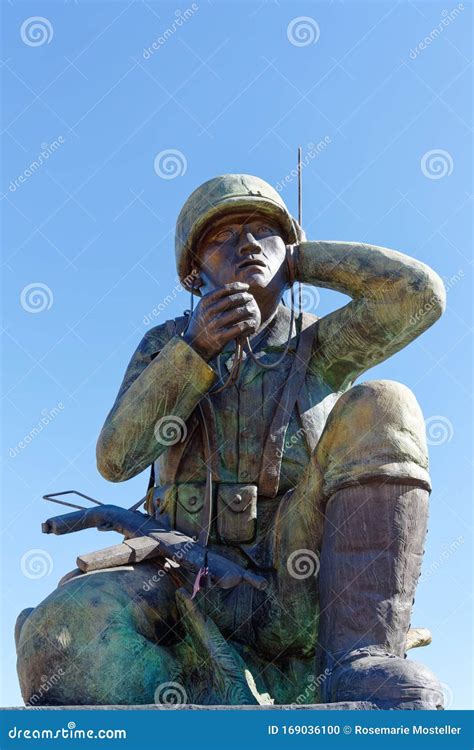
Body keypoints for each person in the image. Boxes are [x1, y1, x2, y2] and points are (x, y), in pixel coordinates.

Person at [16, 174, 446, 708]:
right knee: (57, 635)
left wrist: (301, 258)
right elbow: (116, 459)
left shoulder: (321, 344)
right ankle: (208, 691)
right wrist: (194, 350)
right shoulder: (165, 345)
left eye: (263, 232)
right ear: (194, 271)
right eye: (222, 237)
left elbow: (420, 296)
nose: (245, 244)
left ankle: (357, 662)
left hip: (296, 580)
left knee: (387, 401)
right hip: (183, 581)